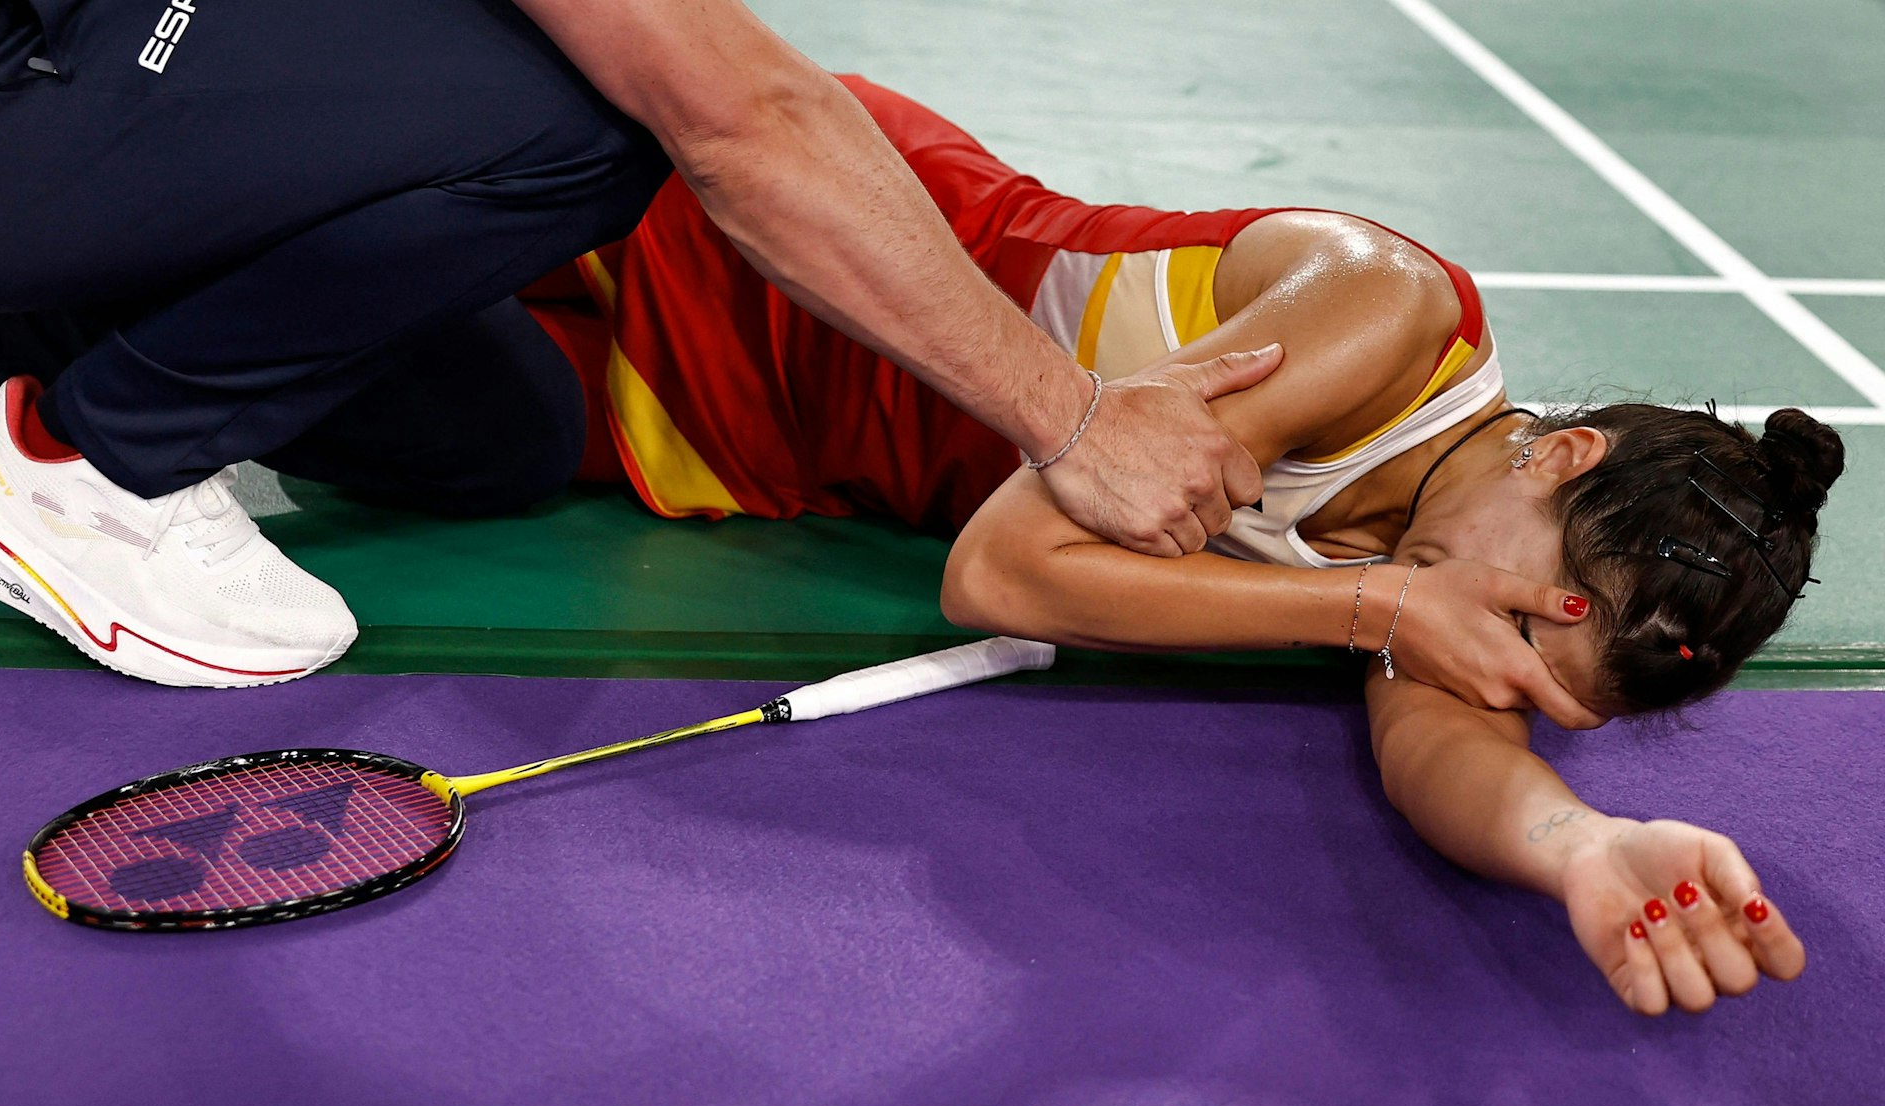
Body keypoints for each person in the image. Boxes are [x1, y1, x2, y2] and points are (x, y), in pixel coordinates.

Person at [508, 77, 1839, 1015]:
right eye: (1533, 613)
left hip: (754, 442)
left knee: (374, 406)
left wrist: (1576, 845)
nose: (1493, 652)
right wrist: (1371, 604)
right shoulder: (1385, 314)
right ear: (1561, 455)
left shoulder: (1442, 587)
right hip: (795, 247)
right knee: (366, 208)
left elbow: (1444, 744)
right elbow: (998, 571)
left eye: (1545, 677)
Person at [0, 0, 1343, 686]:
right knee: (587, 118)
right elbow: (742, 116)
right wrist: (1074, 414)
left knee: (498, 434)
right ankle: (89, 467)